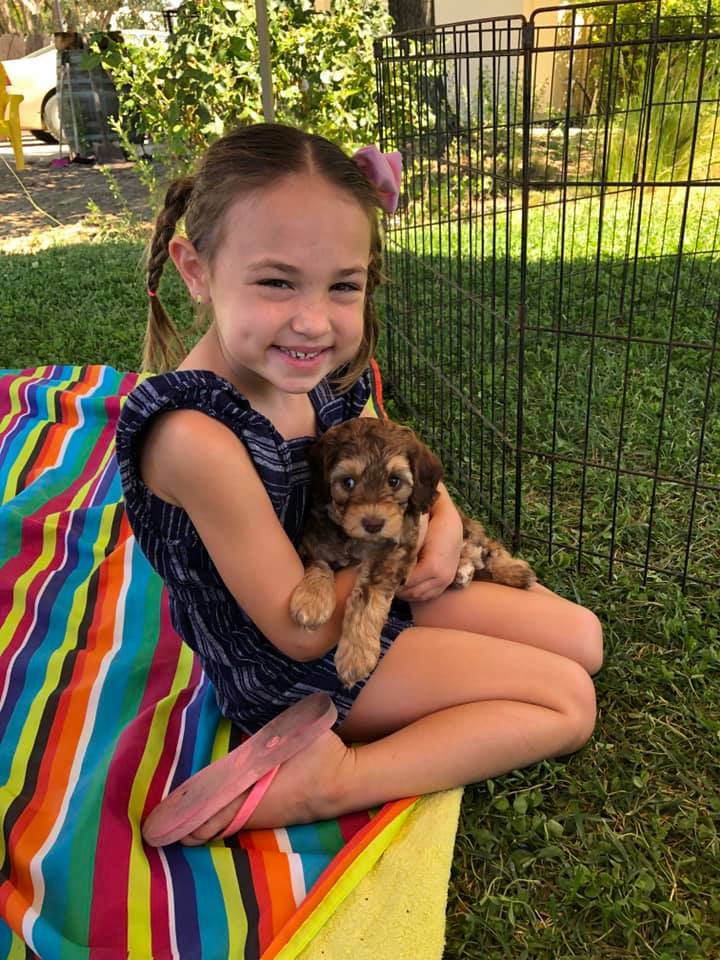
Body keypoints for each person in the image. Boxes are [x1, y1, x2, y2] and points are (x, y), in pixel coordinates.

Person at [115, 122, 603, 846]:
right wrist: (407, 552)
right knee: (568, 700)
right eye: (277, 282)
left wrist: (438, 532)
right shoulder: (196, 436)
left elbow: (401, 461)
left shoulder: (320, 375)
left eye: (343, 286)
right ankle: (329, 777)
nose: (313, 322)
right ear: (196, 269)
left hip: (378, 587)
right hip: (295, 665)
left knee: (583, 638)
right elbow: (296, 627)